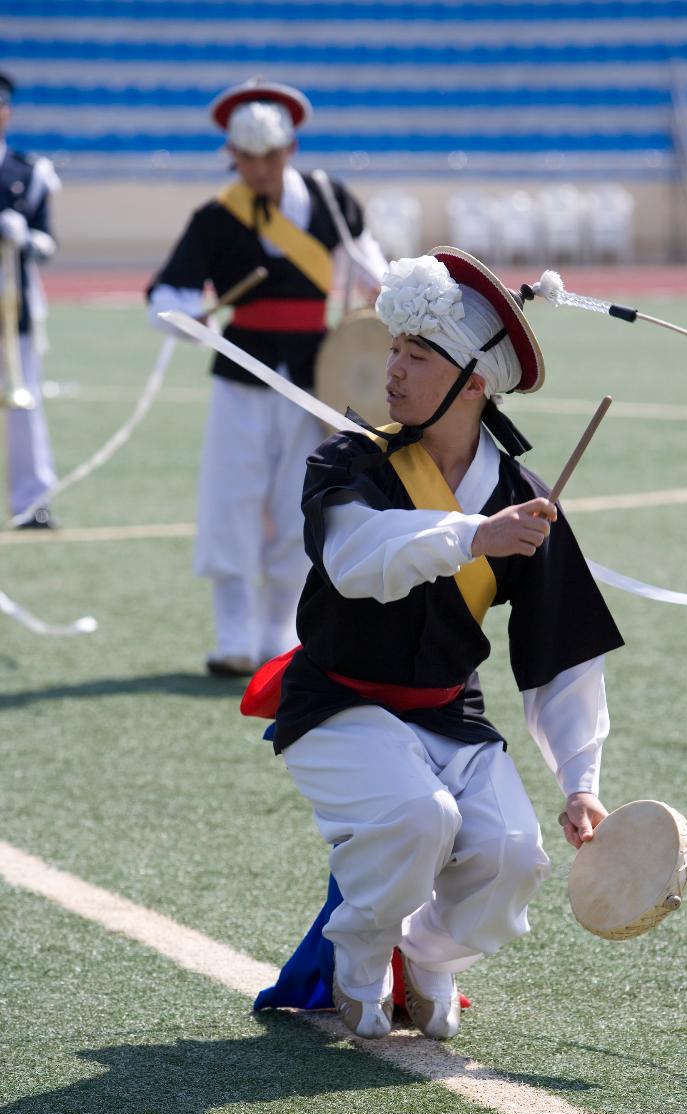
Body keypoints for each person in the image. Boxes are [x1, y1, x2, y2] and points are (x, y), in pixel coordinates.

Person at [249, 248, 624, 1040]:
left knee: (515, 856)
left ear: (474, 380)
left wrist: (580, 781)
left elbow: (562, 653)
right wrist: (473, 537)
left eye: (416, 356)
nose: (390, 369)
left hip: (449, 714)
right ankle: (356, 961)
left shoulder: (523, 501)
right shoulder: (346, 461)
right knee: (419, 818)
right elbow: (354, 562)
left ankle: (426, 957)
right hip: (337, 703)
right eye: (393, 349)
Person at [147, 78, 387, 677]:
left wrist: (390, 300)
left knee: (297, 502)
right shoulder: (215, 217)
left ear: (290, 150)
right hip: (242, 371)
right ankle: (232, 636)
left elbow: (369, 268)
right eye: (246, 158)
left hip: (315, 376)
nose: (258, 168)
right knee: (230, 499)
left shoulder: (331, 201)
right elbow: (165, 294)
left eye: (269, 156)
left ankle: (279, 635)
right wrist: (189, 316)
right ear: (233, 156)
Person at [0, 71, 60, 530]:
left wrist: (28, 240)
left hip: (11, 306)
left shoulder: (28, 171)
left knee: (24, 405)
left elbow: (47, 240)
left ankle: (32, 501)